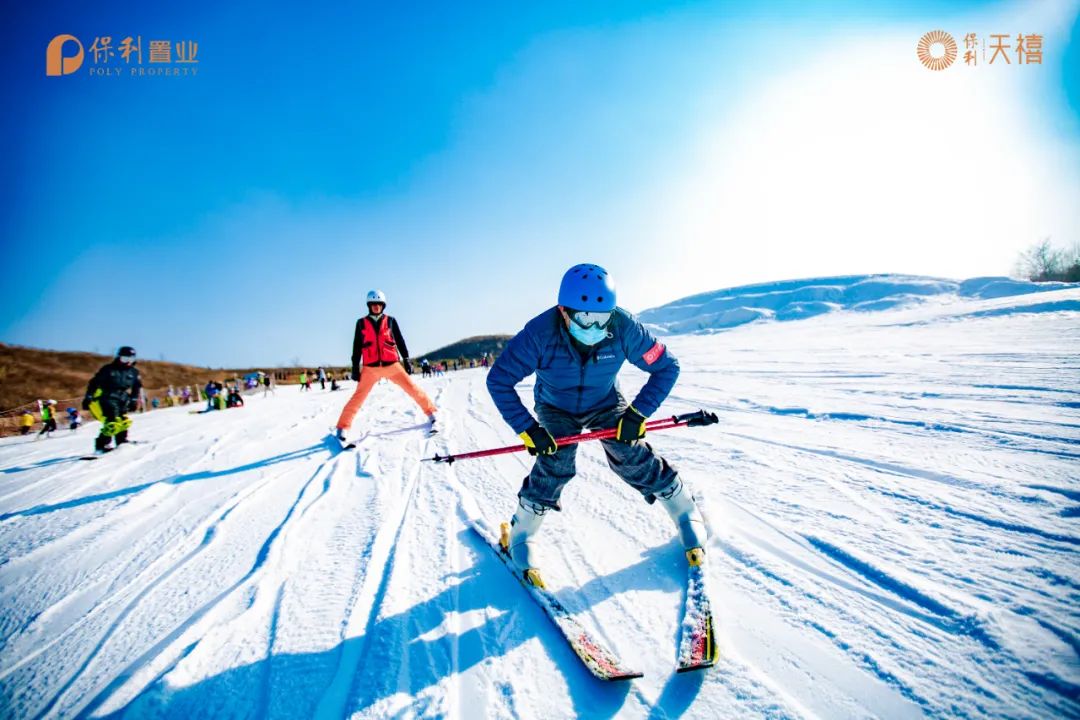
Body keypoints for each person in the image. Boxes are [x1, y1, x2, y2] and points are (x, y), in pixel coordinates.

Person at [486, 263, 706, 588]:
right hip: (555, 406)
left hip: (604, 400)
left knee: (629, 452)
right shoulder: (539, 333)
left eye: (602, 317)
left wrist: (637, 414)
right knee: (556, 460)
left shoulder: (624, 326)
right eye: (585, 318)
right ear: (563, 311)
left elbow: (667, 367)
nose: (594, 326)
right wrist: (529, 430)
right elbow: (499, 379)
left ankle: (683, 508)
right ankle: (522, 534)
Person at [335, 289, 437, 441]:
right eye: (373, 304)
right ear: (369, 305)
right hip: (370, 368)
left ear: (383, 306)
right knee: (358, 398)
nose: (376, 307)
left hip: (392, 365)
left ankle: (432, 414)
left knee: (412, 388)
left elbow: (400, 341)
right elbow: (357, 347)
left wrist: (406, 359)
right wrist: (355, 367)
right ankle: (343, 428)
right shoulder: (361, 323)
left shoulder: (390, 320)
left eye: (379, 304)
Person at [84, 346, 142, 453]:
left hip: (123, 397)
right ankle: (102, 444)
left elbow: (136, 387)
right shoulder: (108, 369)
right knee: (112, 420)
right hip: (108, 396)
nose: (127, 362)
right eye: (125, 359)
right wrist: (89, 396)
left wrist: (134, 400)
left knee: (122, 419)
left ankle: (121, 440)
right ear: (119, 357)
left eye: (130, 359)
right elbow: (94, 383)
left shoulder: (133, 372)